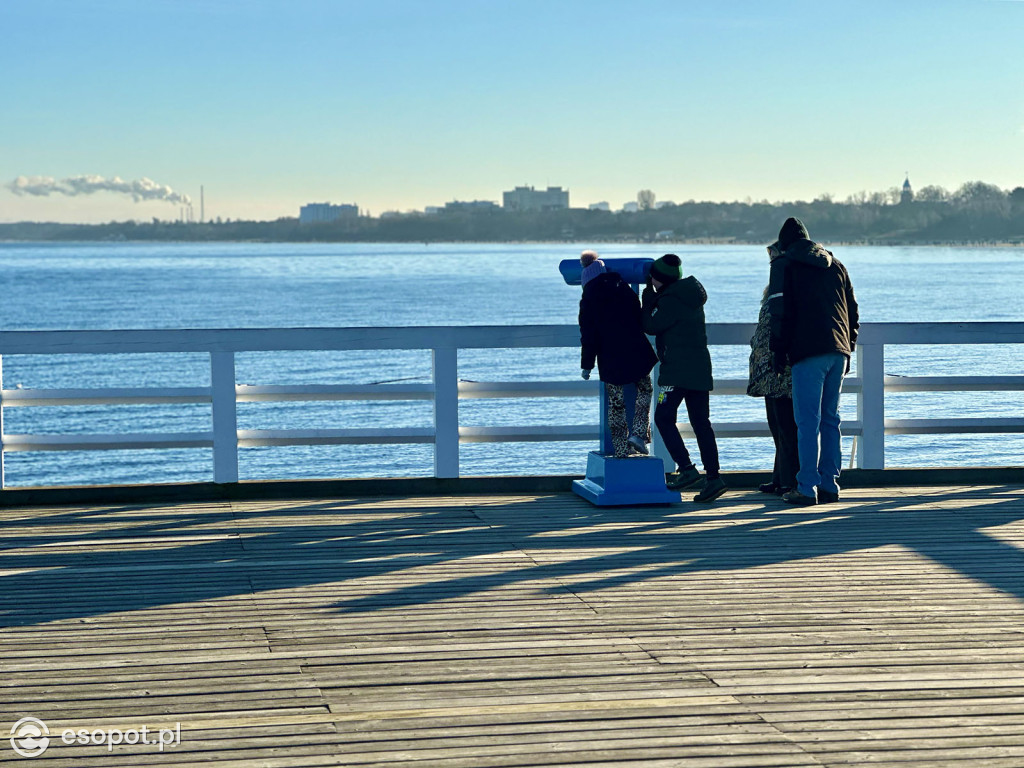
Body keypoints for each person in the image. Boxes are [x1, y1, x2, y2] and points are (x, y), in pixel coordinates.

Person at [767, 218, 859, 506]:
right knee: (831, 420)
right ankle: (830, 485)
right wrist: (848, 347)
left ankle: (806, 488)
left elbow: (778, 312)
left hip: (807, 352)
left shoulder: (783, 265)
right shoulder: (836, 265)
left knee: (807, 422)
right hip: (838, 350)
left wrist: (778, 352)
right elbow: (853, 311)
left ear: (783, 245)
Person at [641, 253, 727, 502]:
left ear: (660, 279)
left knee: (663, 417)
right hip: (699, 368)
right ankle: (714, 478)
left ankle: (687, 469)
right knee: (701, 423)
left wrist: (648, 301)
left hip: (676, 372)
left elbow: (650, 325)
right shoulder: (689, 295)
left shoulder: (669, 301)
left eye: (653, 278)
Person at [578, 250, 659, 459]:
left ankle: (621, 451)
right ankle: (639, 434)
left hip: (610, 357)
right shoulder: (621, 285)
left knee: (616, 405)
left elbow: (588, 334)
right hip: (636, 351)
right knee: (645, 390)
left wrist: (587, 364)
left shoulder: (588, 298)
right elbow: (636, 311)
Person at [747, 244, 798, 495]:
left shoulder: (788, 289)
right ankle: (779, 477)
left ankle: (789, 480)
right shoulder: (773, 291)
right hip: (768, 371)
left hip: (781, 369)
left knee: (786, 426)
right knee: (776, 426)